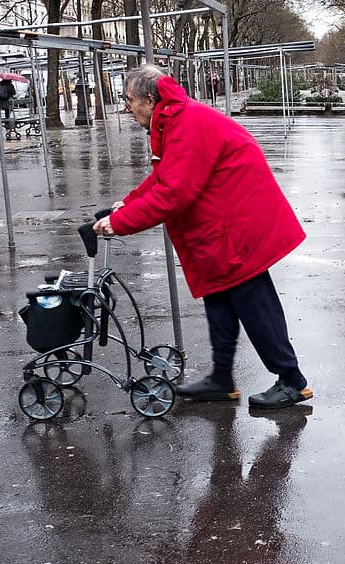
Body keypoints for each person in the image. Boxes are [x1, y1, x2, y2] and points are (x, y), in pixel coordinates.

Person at [93, 65, 312, 410]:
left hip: (238, 226)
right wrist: (128, 204)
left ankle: (292, 381)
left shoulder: (185, 124)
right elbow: (165, 176)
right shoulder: (173, 120)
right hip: (226, 223)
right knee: (219, 297)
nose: (126, 108)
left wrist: (119, 224)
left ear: (149, 100)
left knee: (254, 302)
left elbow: (174, 193)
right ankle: (222, 379)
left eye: (129, 100)